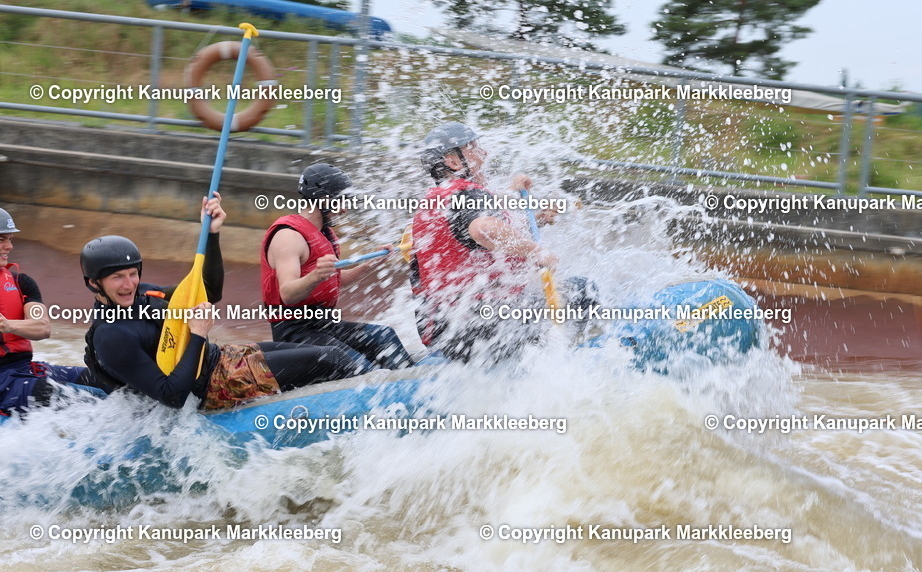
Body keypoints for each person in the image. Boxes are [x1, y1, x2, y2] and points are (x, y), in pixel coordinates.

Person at [81, 194, 372, 411]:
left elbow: (209, 290)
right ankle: (368, 412)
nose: (129, 284)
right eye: (117, 278)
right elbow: (172, 396)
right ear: (94, 283)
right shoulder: (112, 336)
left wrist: (211, 234)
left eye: (133, 274)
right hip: (212, 387)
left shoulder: (144, 295)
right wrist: (197, 335)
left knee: (324, 353)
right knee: (331, 360)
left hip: (222, 358)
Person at [411, 122, 593, 363]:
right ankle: (579, 360)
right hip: (482, 325)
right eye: (474, 148)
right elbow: (485, 230)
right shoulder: (466, 194)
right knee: (583, 291)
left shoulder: (438, 199)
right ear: (453, 162)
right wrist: (536, 251)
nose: (484, 153)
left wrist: (536, 218)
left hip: (449, 331)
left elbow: (481, 236)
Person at [261, 163, 414, 371]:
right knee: (358, 366)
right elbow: (287, 293)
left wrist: (369, 266)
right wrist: (316, 275)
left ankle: (412, 383)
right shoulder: (289, 237)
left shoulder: (323, 232)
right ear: (322, 199)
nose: (344, 209)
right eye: (340, 201)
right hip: (294, 331)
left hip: (322, 324)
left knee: (384, 336)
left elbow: (335, 279)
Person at [0, 207, 94, 416]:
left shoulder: (21, 282)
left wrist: (8, 325)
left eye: (10, 239)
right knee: (70, 399)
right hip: (2, 382)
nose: (9, 246)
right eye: (1, 240)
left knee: (99, 377)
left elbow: (42, 327)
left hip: (24, 368)